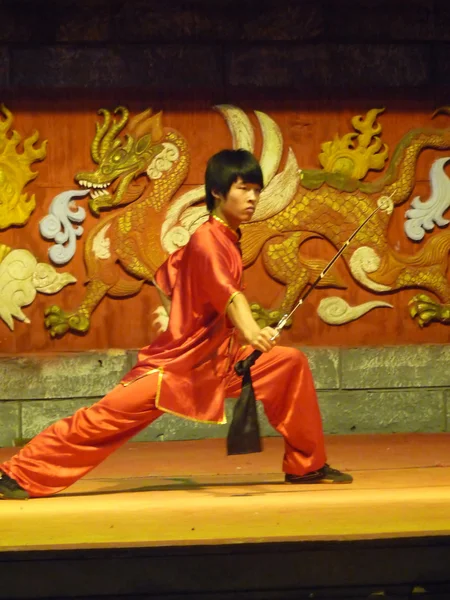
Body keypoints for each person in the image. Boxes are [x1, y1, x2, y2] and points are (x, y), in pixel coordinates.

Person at [0, 149, 352, 500]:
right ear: (217, 191)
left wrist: (183, 316)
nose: (252, 198)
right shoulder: (209, 240)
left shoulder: (225, 237)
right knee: (103, 419)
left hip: (217, 361)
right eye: (244, 188)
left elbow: (165, 276)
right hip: (177, 367)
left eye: (257, 190)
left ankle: (306, 465)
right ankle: (17, 474)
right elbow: (231, 296)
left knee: (289, 364)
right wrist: (250, 332)